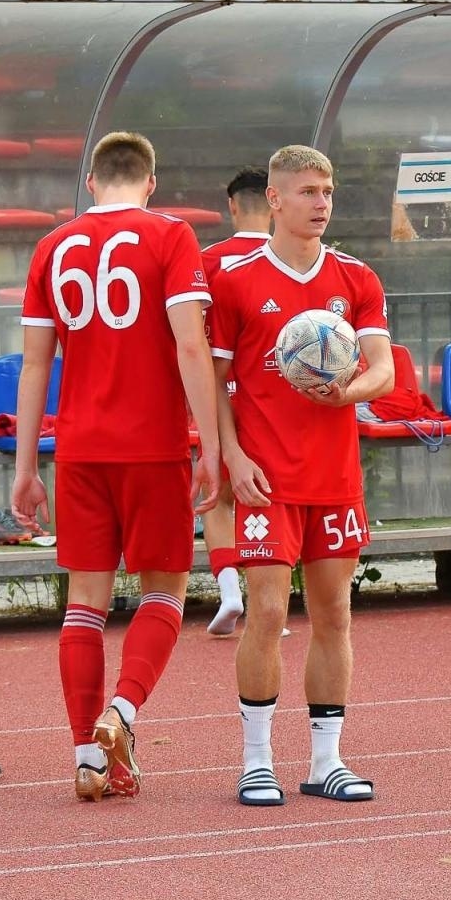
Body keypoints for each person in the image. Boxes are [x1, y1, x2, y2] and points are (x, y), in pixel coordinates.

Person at [11, 131, 219, 802]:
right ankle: (122, 712)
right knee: (166, 592)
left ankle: (88, 759)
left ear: (91, 182)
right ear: (150, 182)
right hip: (152, 446)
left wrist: (24, 466)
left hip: (79, 448)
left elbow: (35, 364)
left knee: (84, 606)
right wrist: (212, 446)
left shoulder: (53, 245)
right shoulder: (171, 236)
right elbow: (191, 346)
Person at [209, 145, 394, 807]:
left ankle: (325, 762)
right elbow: (213, 382)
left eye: (328, 191)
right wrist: (232, 458)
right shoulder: (235, 281)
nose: (321, 203)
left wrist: (348, 393)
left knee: (334, 615)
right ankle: (257, 761)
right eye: (308, 192)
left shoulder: (356, 278)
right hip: (266, 479)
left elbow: (382, 370)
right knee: (265, 612)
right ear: (275, 199)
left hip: (335, 478)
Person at [199, 166, 272, 636]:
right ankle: (268, 599)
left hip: (216, 393)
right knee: (266, 495)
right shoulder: (289, 259)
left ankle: (230, 591)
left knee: (218, 498)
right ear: (275, 204)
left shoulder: (205, 261)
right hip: (266, 397)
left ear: (231, 206)